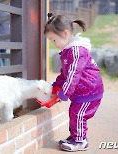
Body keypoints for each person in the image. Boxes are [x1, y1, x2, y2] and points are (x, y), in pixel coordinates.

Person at [44, 13, 104, 152]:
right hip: (82, 92)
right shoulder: (68, 51)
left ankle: (80, 141)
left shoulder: (76, 51)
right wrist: (57, 85)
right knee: (74, 113)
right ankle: (75, 137)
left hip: (89, 91)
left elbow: (73, 75)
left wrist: (64, 93)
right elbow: (65, 73)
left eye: (53, 40)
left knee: (79, 115)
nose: (54, 44)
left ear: (64, 33)